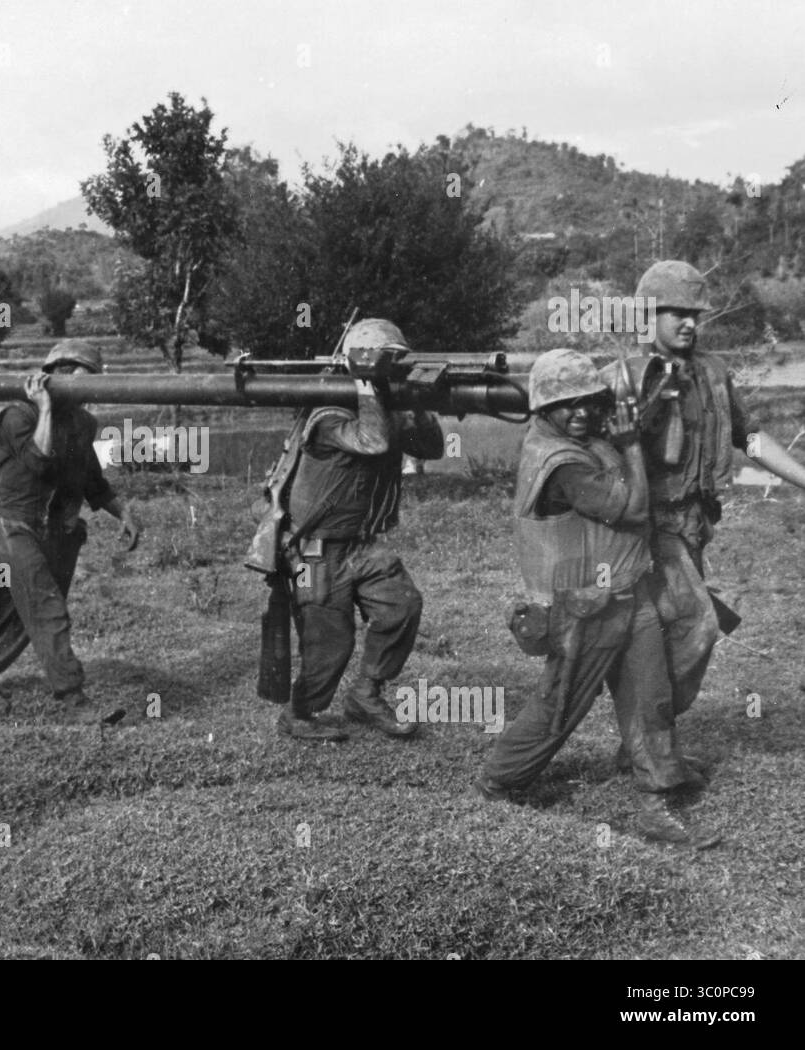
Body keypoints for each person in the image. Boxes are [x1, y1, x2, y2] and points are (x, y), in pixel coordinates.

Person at [475, 349, 718, 847]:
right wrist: (630, 446)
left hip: (628, 595)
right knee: (560, 706)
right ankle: (499, 778)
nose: (582, 412)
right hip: (582, 609)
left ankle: (657, 798)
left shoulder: (578, 439)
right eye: (568, 404)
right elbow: (627, 512)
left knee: (650, 696)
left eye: (589, 401)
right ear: (544, 408)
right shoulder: (559, 460)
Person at [632, 260, 805, 716]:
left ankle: (649, 737)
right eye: (677, 313)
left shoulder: (711, 371)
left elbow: (748, 437)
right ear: (647, 313)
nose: (690, 323)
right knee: (696, 625)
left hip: (694, 524)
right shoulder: (630, 374)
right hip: (648, 527)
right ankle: (651, 738)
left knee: (673, 631)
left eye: (696, 314)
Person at [279, 318, 445, 742]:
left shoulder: (382, 410)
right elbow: (371, 441)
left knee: (401, 606)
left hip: (361, 545)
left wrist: (416, 402)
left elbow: (432, 448)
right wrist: (372, 390)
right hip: (313, 553)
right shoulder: (325, 411)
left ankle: (365, 695)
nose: (390, 370)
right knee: (329, 641)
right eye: (384, 363)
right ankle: (299, 714)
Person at [0, 339, 141, 714]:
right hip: (10, 522)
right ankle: (74, 697)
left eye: (93, 379)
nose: (88, 388)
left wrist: (122, 512)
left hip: (55, 526)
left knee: (28, 609)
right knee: (48, 609)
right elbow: (38, 463)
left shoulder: (83, 422)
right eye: (82, 377)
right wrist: (45, 408)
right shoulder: (19, 415)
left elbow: (91, 479)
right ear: (56, 374)